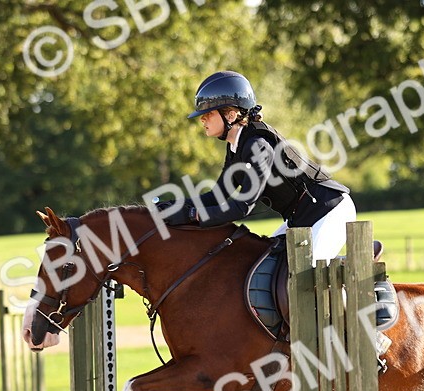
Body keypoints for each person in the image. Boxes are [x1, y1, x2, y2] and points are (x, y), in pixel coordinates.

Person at [164, 70, 396, 359]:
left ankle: (368, 336)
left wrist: (194, 217)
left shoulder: (257, 145)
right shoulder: (237, 146)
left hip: (329, 211)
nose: (202, 119)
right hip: (300, 220)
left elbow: (241, 207)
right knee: (258, 264)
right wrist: (179, 208)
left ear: (231, 113)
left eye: (208, 113)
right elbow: (219, 195)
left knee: (303, 279)